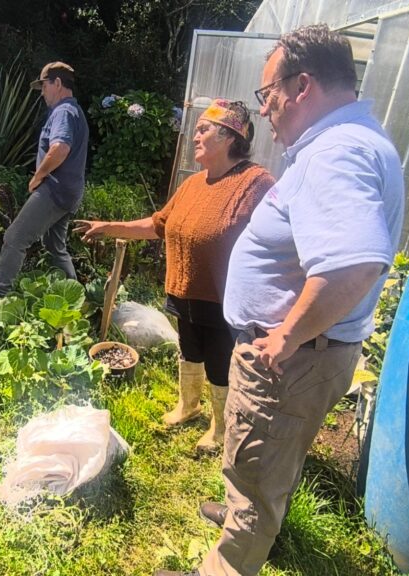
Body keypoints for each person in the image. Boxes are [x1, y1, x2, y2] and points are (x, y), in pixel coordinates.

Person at [154, 24, 405, 576]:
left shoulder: (335, 153)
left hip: (291, 357)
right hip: (308, 353)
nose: (265, 109)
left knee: (258, 471)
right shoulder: (353, 142)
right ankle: (242, 512)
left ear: (303, 86)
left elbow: (356, 260)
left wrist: (286, 334)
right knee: (265, 457)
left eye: (268, 95)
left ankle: (229, 557)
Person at [75, 100, 274, 454]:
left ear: (229, 136)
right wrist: (109, 227)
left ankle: (220, 426)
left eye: (204, 129)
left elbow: (277, 240)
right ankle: (188, 405)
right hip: (185, 291)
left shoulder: (255, 182)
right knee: (189, 350)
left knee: (218, 361)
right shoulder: (194, 184)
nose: (195, 135)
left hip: (223, 298)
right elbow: (158, 225)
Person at [0, 61, 89, 296]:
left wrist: (39, 176)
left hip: (54, 190)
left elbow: (60, 148)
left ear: (57, 83)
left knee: (15, 237)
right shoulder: (74, 110)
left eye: (44, 86)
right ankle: (74, 295)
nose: (42, 92)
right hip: (69, 192)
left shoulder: (63, 111)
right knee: (54, 246)